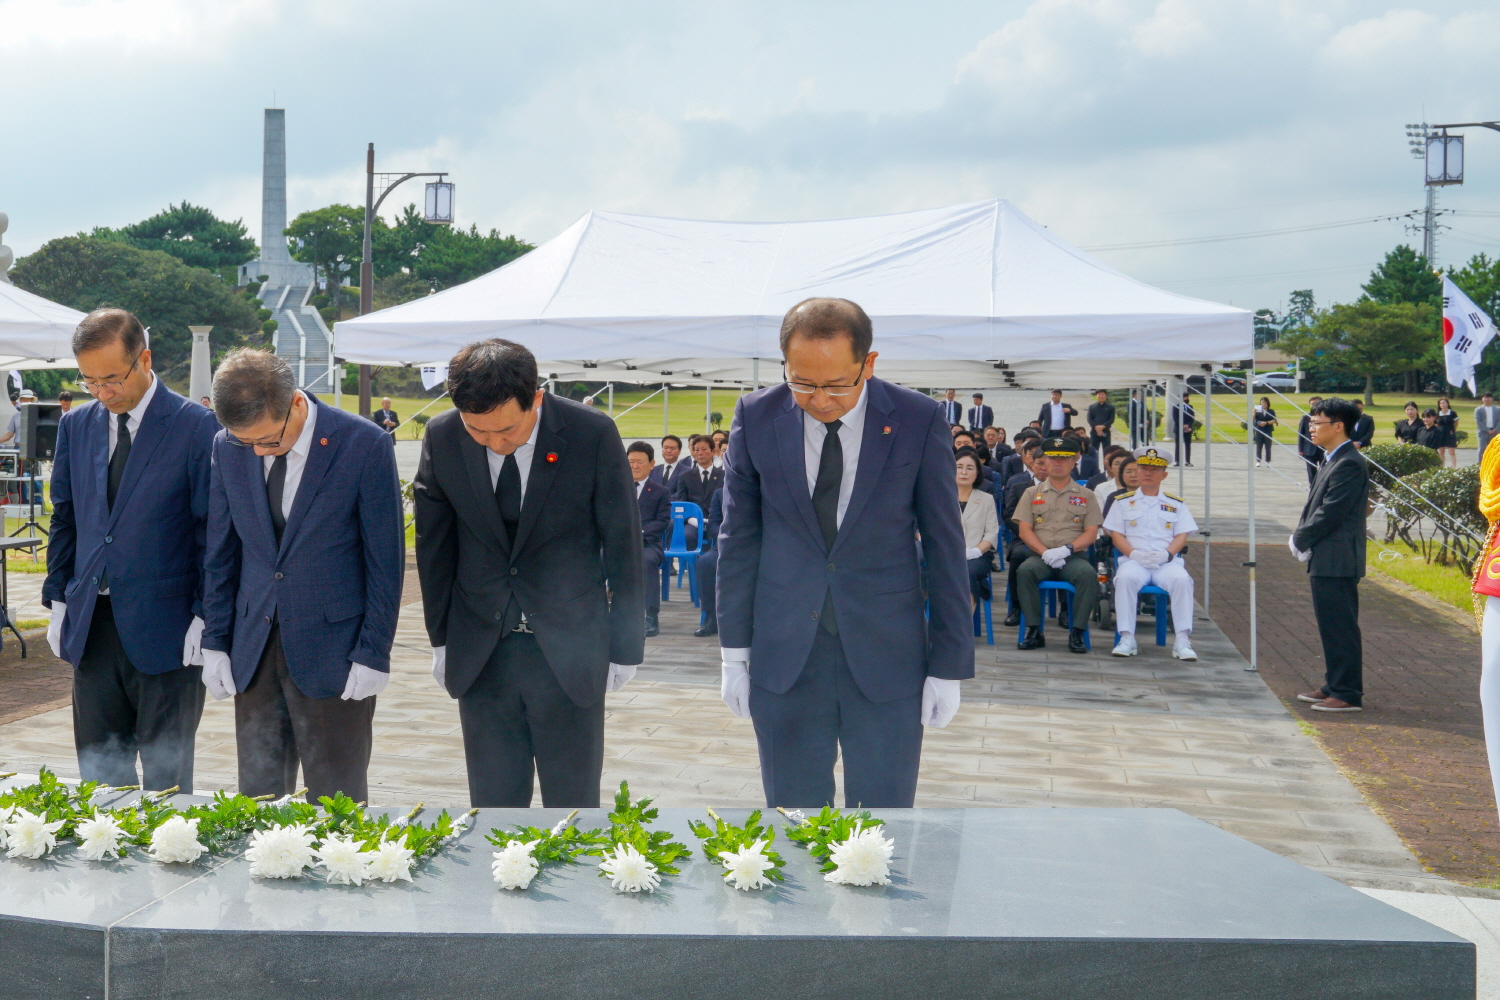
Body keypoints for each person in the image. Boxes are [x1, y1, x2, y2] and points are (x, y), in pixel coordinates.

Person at [716, 297, 971, 809]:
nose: (820, 400)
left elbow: (945, 545)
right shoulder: (757, 414)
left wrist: (949, 665)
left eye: (836, 384)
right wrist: (733, 654)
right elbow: (738, 539)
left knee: (881, 824)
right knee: (791, 823)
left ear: (868, 364)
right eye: (802, 383)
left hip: (887, 658)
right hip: (785, 657)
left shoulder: (918, 419)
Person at [413, 338, 644, 808]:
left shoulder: (590, 433)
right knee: (494, 802)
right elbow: (434, 547)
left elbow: (623, 542)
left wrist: (626, 645)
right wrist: (440, 639)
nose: (495, 444)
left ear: (536, 396)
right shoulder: (442, 436)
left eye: (507, 430)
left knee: (574, 802)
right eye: (478, 432)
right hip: (482, 646)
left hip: (569, 646)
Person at [199, 350, 403, 803]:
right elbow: (220, 549)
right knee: (258, 798)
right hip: (253, 645)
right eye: (244, 441)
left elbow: (385, 560)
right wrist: (215, 639)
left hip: (334, 649)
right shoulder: (225, 446)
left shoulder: (362, 444)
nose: (258, 451)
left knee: (337, 802)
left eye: (269, 441)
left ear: (295, 403)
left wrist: (374, 651)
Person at [44, 308, 220, 790]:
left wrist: (207, 615)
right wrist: (57, 597)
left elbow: (212, 532)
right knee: (100, 779)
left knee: (166, 783)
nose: (102, 393)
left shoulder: (196, 426)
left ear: (144, 359)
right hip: (92, 628)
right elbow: (67, 518)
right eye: (89, 382)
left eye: (111, 380)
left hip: (168, 631)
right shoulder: (76, 427)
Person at [1290, 398, 1369, 713]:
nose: (1311, 427)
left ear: (1338, 426)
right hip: (1326, 555)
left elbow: (1331, 511)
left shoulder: (1349, 462)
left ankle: (1347, 692)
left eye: (1317, 422)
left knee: (1340, 626)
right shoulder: (1331, 458)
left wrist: (1301, 537)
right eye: (1310, 421)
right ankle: (1334, 683)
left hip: (1338, 557)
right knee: (1330, 624)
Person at [1104, 447, 1198, 661]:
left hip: (1165, 561)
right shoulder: (1123, 502)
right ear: (1137, 471)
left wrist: (1167, 555)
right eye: (1144, 468)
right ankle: (1127, 637)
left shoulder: (1175, 504)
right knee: (1125, 578)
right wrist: (1133, 554)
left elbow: (1182, 535)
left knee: (1183, 581)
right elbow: (1116, 534)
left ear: (1164, 475)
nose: (1148, 473)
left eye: (1154, 470)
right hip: (1134, 560)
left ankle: (1183, 641)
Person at [1013, 438, 1102, 653]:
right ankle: (1034, 630)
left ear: (1074, 462)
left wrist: (1067, 549)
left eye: (1065, 459)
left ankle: (1078, 632)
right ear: (1044, 461)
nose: (1058, 463)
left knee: (1088, 575)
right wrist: (1045, 552)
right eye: (1053, 458)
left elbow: (1092, 532)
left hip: (1072, 556)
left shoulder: (1086, 495)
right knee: (1024, 571)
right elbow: (1024, 530)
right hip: (1039, 556)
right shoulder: (1031, 493)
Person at [627, 441, 670, 638]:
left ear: (652, 464)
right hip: (618, 543)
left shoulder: (661, 491)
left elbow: (662, 521)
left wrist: (638, 534)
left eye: (640, 462)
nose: (634, 466)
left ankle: (651, 616)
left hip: (648, 544)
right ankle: (590, 613)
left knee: (647, 562)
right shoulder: (615, 487)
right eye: (631, 461)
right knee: (595, 560)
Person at [956, 448, 999, 608]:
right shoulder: (941, 498)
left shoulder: (986, 499)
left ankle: (963, 624)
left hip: (977, 555)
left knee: (967, 571)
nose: (964, 472)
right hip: (947, 553)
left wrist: (977, 551)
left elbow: (992, 532)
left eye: (969, 468)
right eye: (959, 467)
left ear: (977, 473)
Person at [672, 433, 723, 550]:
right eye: (696, 450)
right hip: (692, 520)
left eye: (704, 449)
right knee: (688, 535)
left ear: (713, 451)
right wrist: (690, 519)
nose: (700, 453)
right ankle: (692, 567)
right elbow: (681, 503)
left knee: (719, 537)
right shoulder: (685, 476)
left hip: (716, 521)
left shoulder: (723, 476)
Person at [693, 486, 723, 638]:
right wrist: (725, 536)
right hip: (724, 545)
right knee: (704, 563)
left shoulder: (758, 489)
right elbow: (713, 524)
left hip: (751, 546)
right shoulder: (720, 492)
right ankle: (710, 617)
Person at [1296, 396, 1324, 485]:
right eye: (1312, 404)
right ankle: (1313, 488)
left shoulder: (1327, 417)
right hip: (1309, 449)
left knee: (1325, 470)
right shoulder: (1305, 417)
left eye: (1316, 404)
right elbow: (1301, 434)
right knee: (1311, 472)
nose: (1314, 406)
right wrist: (1300, 450)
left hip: (1324, 448)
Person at [1086, 389, 1114, 457]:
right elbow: (1089, 419)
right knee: (1094, 451)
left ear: (1105, 396)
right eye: (1099, 394)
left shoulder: (1110, 407)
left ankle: (1106, 467)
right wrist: (1098, 429)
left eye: (1102, 394)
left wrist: (1103, 427)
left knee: (1107, 451)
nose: (1101, 396)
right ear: (1096, 396)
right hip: (1094, 432)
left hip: (1106, 431)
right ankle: (1094, 466)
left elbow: (1111, 419)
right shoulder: (1092, 407)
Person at [1171, 391, 1195, 467]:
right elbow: (1175, 418)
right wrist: (1182, 425)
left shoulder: (1190, 407)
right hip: (1179, 429)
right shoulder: (1175, 407)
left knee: (1188, 445)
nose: (1186, 398)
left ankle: (1188, 461)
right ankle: (1177, 461)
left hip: (1188, 429)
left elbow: (1192, 418)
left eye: (1187, 397)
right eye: (1185, 397)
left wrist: (1188, 425)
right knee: (1178, 445)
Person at [1252, 396, 1277, 466]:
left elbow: (1274, 420)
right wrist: (1254, 413)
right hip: (1259, 430)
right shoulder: (1258, 411)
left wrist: (1266, 423)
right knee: (1259, 446)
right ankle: (1258, 460)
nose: (1263, 404)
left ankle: (1267, 461)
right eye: (1262, 403)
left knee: (1268, 446)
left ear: (1267, 403)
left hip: (1268, 430)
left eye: (1264, 403)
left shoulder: (1271, 411)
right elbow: (1252, 420)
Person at [1436, 397, 1459, 467]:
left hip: (1450, 434)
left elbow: (1456, 423)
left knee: (1451, 452)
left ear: (1447, 404)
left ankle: (1454, 467)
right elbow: (1436, 424)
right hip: (1440, 434)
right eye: (1441, 403)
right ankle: (1442, 467)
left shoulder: (1452, 413)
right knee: (1441, 452)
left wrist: (1453, 430)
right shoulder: (1437, 414)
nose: (1442, 404)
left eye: (1444, 403)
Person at [1475, 393, 1500, 458]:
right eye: (1485, 397)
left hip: (1495, 432)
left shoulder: (1497, 409)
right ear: (1482, 399)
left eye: (1488, 397)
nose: (1487, 399)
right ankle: (1480, 465)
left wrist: (1495, 429)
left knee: (1494, 449)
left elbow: (1499, 421)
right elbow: (1478, 421)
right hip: (1483, 432)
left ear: (1492, 399)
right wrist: (1487, 430)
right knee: (1482, 449)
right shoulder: (1478, 410)